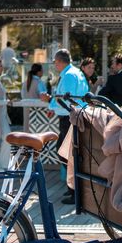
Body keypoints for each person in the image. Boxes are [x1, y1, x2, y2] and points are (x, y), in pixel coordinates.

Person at [47, 49, 89, 204]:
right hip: (74, 117)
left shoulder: (69, 75)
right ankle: (73, 188)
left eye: (55, 62)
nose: (55, 65)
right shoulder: (74, 72)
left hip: (70, 118)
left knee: (67, 154)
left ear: (59, 61)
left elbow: (66, 99)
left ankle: (75, 190)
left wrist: (50, 103)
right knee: (69, 153)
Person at [21, 63, 47, 131]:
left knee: (27, 130)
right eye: (42, 71)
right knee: (37, 130)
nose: (43, 72)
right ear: (39, 72)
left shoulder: (25, 82)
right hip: (38, 110)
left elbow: (22, 96)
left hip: (26, 109)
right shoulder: (40, 82)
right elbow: (44, 97)